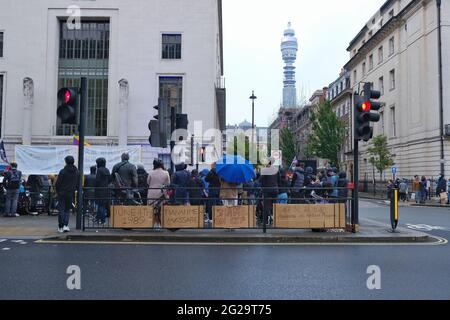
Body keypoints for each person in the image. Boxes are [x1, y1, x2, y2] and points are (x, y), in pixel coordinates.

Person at [55, 156, 80, 233]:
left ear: (66, 162)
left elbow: (58, 183)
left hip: (62, 192)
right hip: (70, 192)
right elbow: (77, 183)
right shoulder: (77, 171)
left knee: (61, 209)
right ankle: (66, 225)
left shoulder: (63, 171)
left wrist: (58, 191)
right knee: (67, 209)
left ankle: (60, 226)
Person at [260, 158, 280, 225]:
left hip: (267, 190)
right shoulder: (276, 170)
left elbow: (262, 181)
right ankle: (275, 220)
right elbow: (279, 180)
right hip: (275, 189)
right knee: (274, 205)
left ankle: (265, 221)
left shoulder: (265, 170)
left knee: (266, 206)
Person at [95, 158, 111, 225]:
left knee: (100, 205)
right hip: (106, 189)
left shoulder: (99, 170)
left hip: (100, 190)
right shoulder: (107, 170)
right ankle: (98, 218)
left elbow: (97, 180)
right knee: (103, 205)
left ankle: (102, 219)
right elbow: (110, 180)